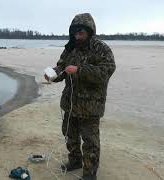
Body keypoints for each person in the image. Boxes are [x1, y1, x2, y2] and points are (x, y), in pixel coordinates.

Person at [45, 13, 116, 180]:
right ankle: (75, 161)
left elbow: (106, 71)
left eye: (81, 33)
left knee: (90, 141)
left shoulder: (101, 48)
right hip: (70, 103)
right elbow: (61, 67)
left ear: (90, 31)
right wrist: (53, 75)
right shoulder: (71, 47)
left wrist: (80, 70)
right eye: (75, 33)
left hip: (91, 105)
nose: (78, 36)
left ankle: (90, 172)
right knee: (70, 135)